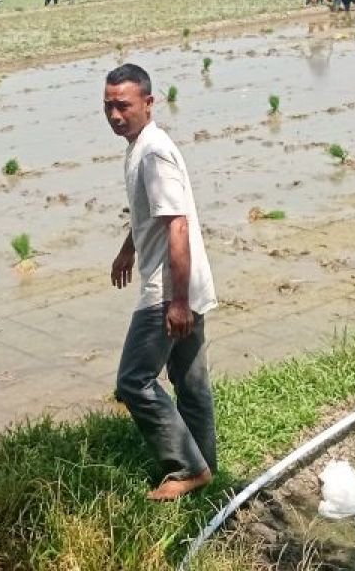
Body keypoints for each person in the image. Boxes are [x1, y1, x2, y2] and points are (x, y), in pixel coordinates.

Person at [105, 63, 218, 502]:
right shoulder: (141, 145)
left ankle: (186, 468)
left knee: (134, 380)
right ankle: (204, 465)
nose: (116, 115)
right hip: (188, 285)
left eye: (124, 106)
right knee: (189, 382)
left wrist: (176, 302)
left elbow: (177, 227)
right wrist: (128, 249)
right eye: (108, 106)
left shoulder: (152, 152)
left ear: (148, 103)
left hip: (169, 289)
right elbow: (152, 216)